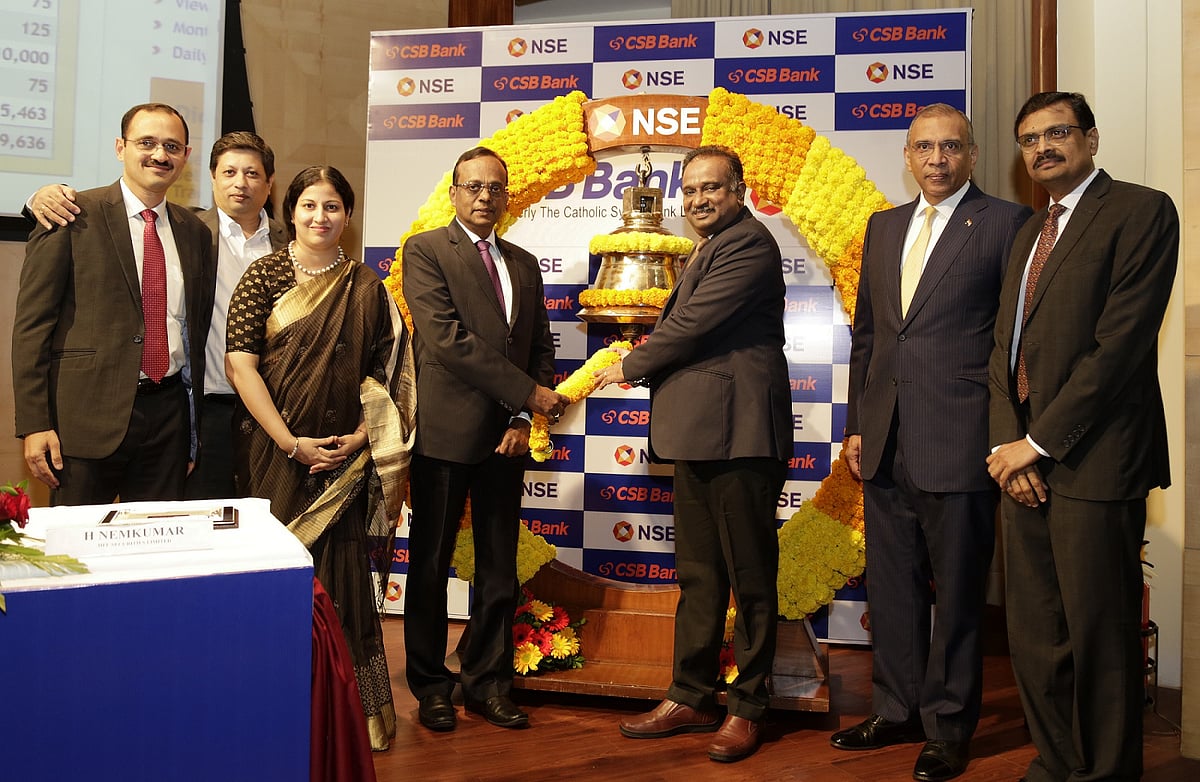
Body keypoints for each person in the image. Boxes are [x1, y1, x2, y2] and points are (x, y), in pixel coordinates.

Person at [832, 104, 1031, 782]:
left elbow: (1014, 342)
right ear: (908, 156)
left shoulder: (1006, 223)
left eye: (951, 147)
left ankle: (948, 726)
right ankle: (896, 709)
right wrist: (857, 424)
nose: (937, 159)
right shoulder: (884, 226)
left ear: (972, 155)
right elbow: (869, 335)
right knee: (892, 588)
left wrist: (1008, 436)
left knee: (960, 596)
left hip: (962, 438)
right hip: (886, 438)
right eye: (924, 147)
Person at [986, 92, 1178, 782]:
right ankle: (1056, 762)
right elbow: (1003, 351)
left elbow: (1118, 349)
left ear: (1090, 140)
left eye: (1058, 132)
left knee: (1100, 636)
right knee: (1036, 634)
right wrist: (1008, 451)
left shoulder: (1140, 211)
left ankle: (1104, 774)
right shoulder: (1027, 233)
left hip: (1096, 462)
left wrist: (1037, 445)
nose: (1042, 147)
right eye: (1029, 139)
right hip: (1021, 467)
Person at [592, 145, 792, 763]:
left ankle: (749, 706)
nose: (700, 199)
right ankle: (691, 695)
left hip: (740, 435)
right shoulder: (709, 246)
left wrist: (628, 364)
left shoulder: (748, 244)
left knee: (750, 579)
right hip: (700, 433)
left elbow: (693, 326)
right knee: (700, 575)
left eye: (712, 187)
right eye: (691, 189)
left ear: (739, 191)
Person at [225, 165, 414, 752]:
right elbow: (240, 366)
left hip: (344, 461)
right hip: (274, 454)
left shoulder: (367, 286)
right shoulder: (263, 276)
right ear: (291, 212)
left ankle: (350, 717)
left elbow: (390, 374)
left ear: (348, 216)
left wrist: (360, 437)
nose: (320, 217)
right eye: (309, 205)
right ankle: (271, 709)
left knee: (341, 584)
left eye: (332, 206)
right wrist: (289, 441)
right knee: (276, 576)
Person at [25, 131, 288, 500]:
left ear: (270, 182)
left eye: (252, 173)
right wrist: (38, 196)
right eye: (229, 172)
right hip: (188, 409)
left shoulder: (291, 242)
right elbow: (34, 324)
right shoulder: (198, 231)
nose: (240, 183)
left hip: (254, 410)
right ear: (212, 176)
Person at [401, 146, 564, 732]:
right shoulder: (425, 250)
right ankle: (431, 686)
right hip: (445, 435)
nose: (484, 196)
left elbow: (540, 346)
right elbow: (446, 340)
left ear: (507, 195)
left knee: (498, 570)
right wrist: (528, 394)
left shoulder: (523, 262)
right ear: (454, 193)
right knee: (430, 564)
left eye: (495, 187)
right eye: (473, 186)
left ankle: (488, 684)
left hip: (508, 439)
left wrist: (523, 418)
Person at [12, 103, 216, 504]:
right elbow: (32, 326)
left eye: (172, 146)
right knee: (78, 541)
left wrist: (192, 432)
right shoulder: (73, 214)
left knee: (158, 541)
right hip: (84, 419)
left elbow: (193, 330)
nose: (160, 155)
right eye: (147, 143)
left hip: (168, 421)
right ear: (121, 147)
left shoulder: (194, 231)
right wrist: (35, 423)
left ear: (186, 156)